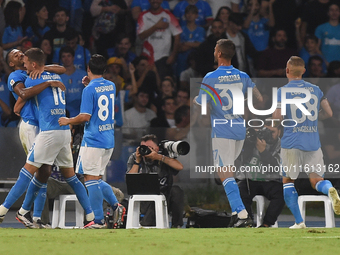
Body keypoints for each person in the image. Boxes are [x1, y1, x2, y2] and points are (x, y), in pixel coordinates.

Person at [0, 48, 95, 228]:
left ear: (33, 63)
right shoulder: (16, 76)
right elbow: (23, 95)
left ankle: (32, 215)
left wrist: (44, 74)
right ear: (12, 64)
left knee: (43, 172)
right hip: (36, 126)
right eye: (16, 55)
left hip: (47, 128)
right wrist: (48, 81)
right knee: (41, 171)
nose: (20, 56)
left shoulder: (34, 75)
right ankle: (27, 213)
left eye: (22, 54)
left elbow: (58, 69)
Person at [194, 39, 263, 227]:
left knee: (224, 173)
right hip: (239, 129)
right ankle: (236, 212)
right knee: (229, 173)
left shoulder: (211, 77)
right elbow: (259, 98)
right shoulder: (243, 75)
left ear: (218, 53)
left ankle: (241, 213)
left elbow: (202, 106)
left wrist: (197, 101)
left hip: (222, 130)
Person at [272, 56, 340, 229]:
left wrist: (276, 124)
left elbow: (277, 117)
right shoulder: (315, 89)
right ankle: (329, 189)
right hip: (312, 143)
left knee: (288, 181)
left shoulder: (283, 91)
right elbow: (329, 113)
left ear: (287, 71)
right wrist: (316, 118)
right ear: (303, 71)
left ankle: (299, 222)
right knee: (317, 180)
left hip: (291, 142)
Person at [59, 54, 125, 229]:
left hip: (94, 139)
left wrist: (68, 120)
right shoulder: (111, 85)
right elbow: (101, 100)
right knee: (93, 178)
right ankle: (116, 205)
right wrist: (90, 85)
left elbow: (85, 116)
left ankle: (98, 220)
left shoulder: (89, 90)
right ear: (104, 70)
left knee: (90, 180)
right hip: (108, 139)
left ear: (88, 69)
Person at [126, 134, 184, 227]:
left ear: (156, 149)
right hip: (144, 199)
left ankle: (176, 225)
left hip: (165, 197)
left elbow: (180, 166)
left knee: (176, 191)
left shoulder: (163, 156)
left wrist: (159, 157)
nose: (146, 150)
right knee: (153, 199)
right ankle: (147, 222)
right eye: (143, 147)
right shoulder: (135, 157)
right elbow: (130, 180)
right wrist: (137, 162)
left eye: (149, 147)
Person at [237, 123, 285, 227]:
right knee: (240, 190)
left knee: (282, 192)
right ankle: (248, 222)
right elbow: (242, 158)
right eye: (265, 130)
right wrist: (250, 141)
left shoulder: (282, 145)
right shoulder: (252, 140)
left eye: (272, 132)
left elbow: (275, 168)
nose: (268, 134)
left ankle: (267, 224)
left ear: (279, 132)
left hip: (270, 181)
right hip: (250, 180)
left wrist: (263, 151)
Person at [137, 0, 182, 80]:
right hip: (147, 57)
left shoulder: (168, 15)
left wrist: (173, 55)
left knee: (163, 83)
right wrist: (156, 26)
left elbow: (177, 36)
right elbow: (141, 36)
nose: (155, 1)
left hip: (163, 57)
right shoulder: (143, 16)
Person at [59, 46, 87, 118]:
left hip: (81, 113)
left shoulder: (83, 75)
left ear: (73, 57)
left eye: (69, 56)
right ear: (61, 59)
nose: (66, 59)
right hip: (64, 114)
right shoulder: (58, 77)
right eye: (63, 56)